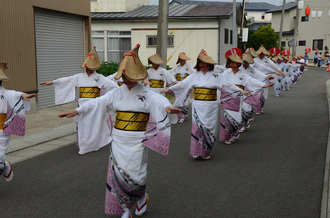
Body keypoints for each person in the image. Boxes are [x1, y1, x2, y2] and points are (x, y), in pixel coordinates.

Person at [59, 44, 181, 218]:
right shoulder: (117, 92)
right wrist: (78, 111)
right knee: (117, 175)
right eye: (124, 76)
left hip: (138, 140)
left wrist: (168, 107)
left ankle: (140, 198)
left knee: (137, 175)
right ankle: (125, 209)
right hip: (118, 140)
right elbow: (98, 102)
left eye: (130, 76)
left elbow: (159, 101)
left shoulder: (147, 94)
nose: (127, 80)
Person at [162, 49, 249, 159]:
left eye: (205, 63)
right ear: (198, 64)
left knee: (209, 127)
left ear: (209, 64)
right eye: (201, 63)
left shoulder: (217, 76)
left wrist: (242, 91)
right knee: (197, 127)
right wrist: (169, 88)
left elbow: (228, 85)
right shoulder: (194, 76)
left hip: (211, 106)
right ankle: (196, 151)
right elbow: (183, 84)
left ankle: (206, 151)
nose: (203, 65)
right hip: (198, 105)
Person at [40, 47, 118, 155]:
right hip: (82, 104)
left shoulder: (99, 77)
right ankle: (83, 146)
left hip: (94, 104)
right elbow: (67, 80)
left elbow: (114, 87)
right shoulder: (79, 76)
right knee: (83, 126)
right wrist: (52, 82)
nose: (87, 68)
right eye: (87, 66)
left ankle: (95, 144)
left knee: (94, 125)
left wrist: (108, 98)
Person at [220, 48, 272, 144]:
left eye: (235, 62)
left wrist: (263, 85)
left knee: (237, 119)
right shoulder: (225, 73)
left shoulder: (243, 74)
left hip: (238, 99)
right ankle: (228, 136)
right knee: (227, 118)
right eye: (231, 62)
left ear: (239, 64)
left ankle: (235, 131)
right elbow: (224, 84)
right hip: (227, 99)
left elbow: (251, 80)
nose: (233, 64)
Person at [0, 62, 36, 182]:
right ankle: (4, 165)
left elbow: (16, 94)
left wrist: (23, 95)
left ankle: (3, 165)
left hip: (1, 129)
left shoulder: (8, 94)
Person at [168, 52, 194, 123]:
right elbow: (170, 74)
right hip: (178, 86)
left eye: (184, 60)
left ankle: (184, 113)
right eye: (181, 60)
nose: (182, 62)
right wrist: (173, 81)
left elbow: (193, 75)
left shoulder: (189, 68)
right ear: (179, 61)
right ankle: (180, 115)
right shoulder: (176, 68)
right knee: (179, 101)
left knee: (186, 102)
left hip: (186, 87)